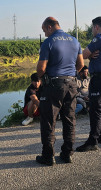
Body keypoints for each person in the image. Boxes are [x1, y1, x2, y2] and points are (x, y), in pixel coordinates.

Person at [36, 17, 84, 166]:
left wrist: (43, 78)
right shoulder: (74, 41)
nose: (45, 34)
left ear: (49, 27)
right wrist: (68, 75)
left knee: (49, 121)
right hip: (71, 84)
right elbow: (81, 64)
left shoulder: (48, 42)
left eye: (44, 31)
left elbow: (41, 69)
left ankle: (48, 156)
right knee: (70, 120)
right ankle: (67, 154)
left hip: (54, 85)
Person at [76, 16, 101, 152]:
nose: (92, 30)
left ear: (96, 27)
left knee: (95, 109)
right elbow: (88, 55)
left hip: (100, 78)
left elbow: (83, 54)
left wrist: (87, 55)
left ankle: (93, 141)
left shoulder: (99, 38)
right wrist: (89, 55)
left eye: (92, 28)